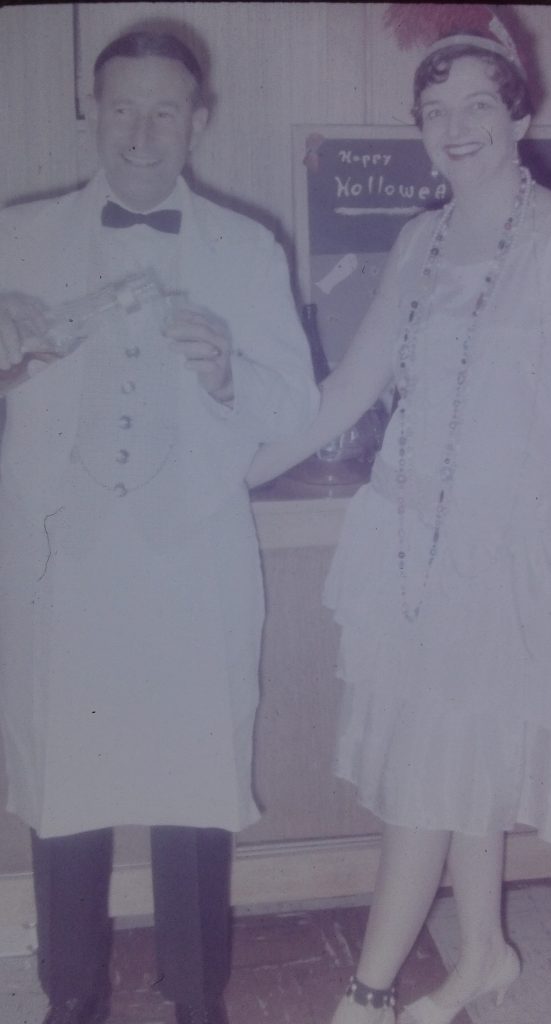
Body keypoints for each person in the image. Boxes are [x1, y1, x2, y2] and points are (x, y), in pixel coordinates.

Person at [246, 7, 551, 1024]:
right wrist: (243, 466)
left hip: (501, 560)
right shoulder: (417, 238)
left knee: (429, 778)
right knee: (450, 765)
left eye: (479, 104)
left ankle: (368, 988)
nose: (457, 123)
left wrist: (533, 498)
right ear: (419, 127)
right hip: (403, 547)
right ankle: (484, 956)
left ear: (519, 116)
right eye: (437, 109)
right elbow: (351, 385)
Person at [0, 26, 317, 1024]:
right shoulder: (15, 238)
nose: (141, 131)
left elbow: (294, 411)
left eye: (164, 109)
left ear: (199, 120)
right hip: (67, 561)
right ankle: (73, 996)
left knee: (192, 791)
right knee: (67, 793)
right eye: (122, 107)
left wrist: (229, 373)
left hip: (189, 563)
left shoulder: (245, 246)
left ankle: (196, 997)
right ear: (92, 111)